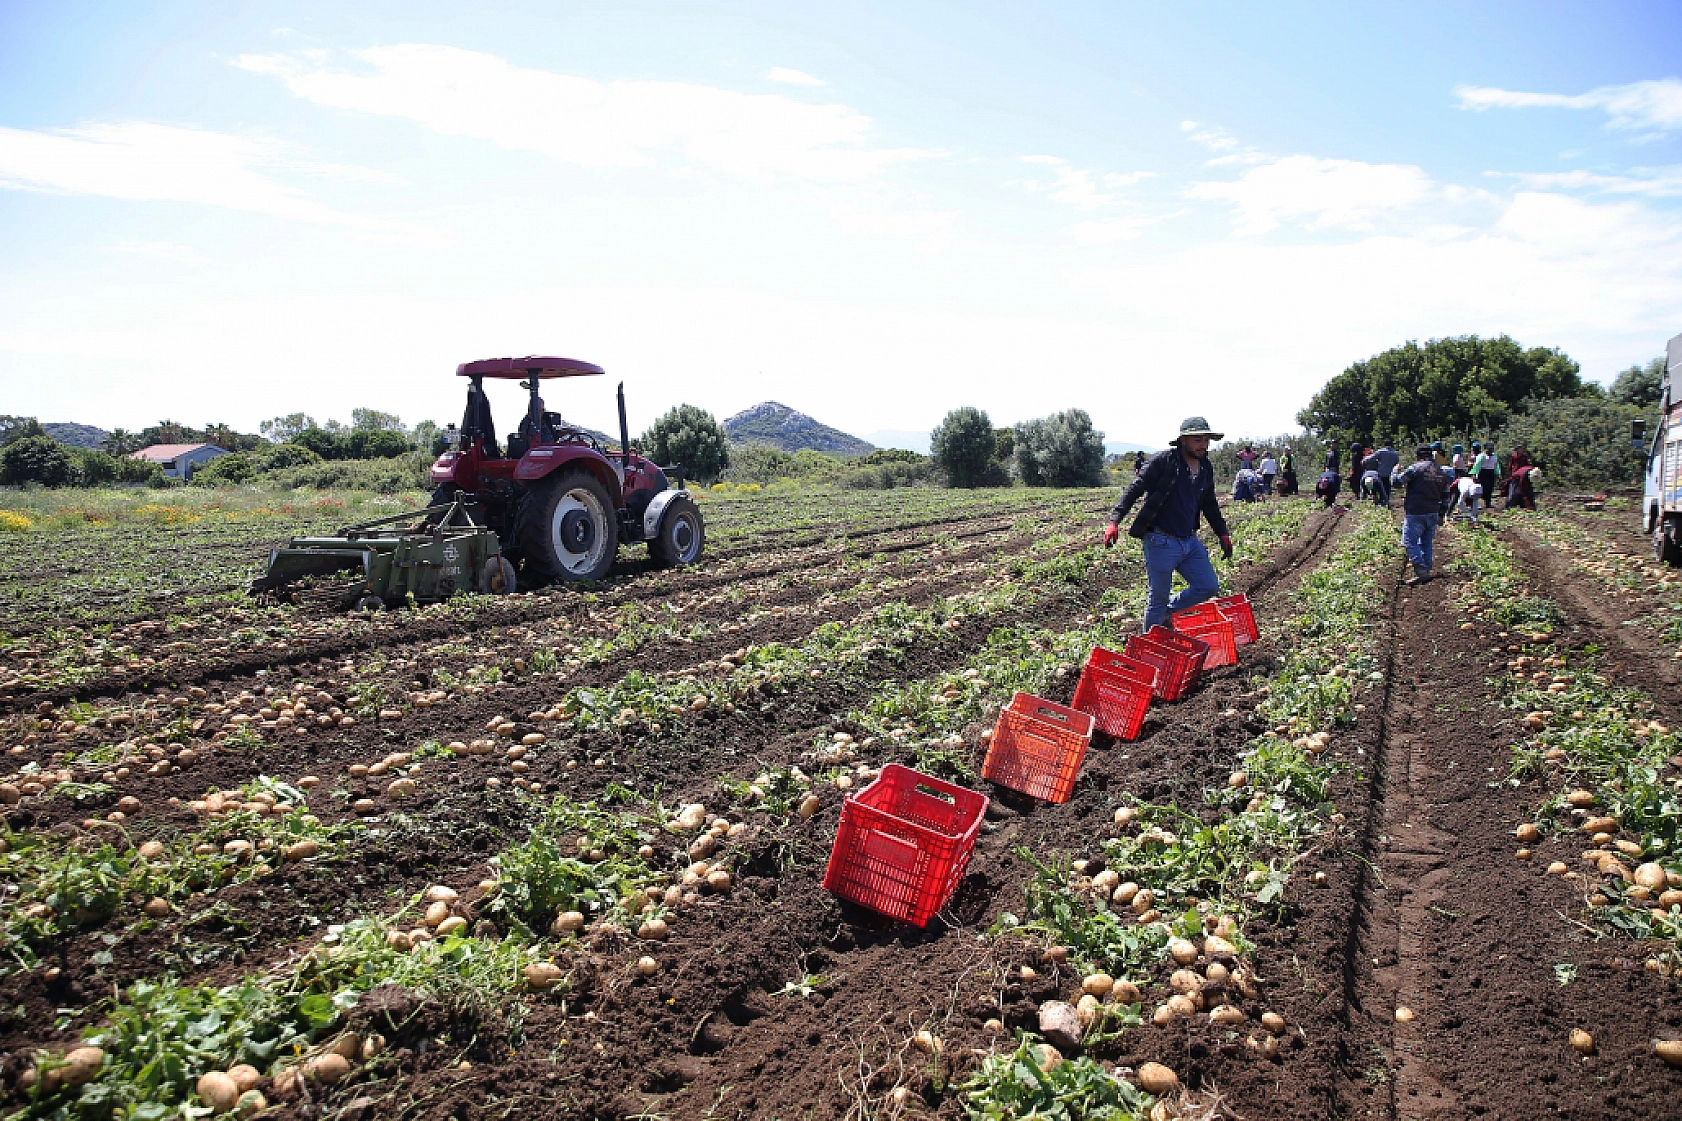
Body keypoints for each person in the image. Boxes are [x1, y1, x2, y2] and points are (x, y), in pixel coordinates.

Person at [1104, 417, 1233, 631]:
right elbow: (1134, 489)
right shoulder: (1163, 461)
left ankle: (1167, 612)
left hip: (1189, 540)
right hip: (1160, 540)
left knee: (1208, 586)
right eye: (1198, 440)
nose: (1203, 445)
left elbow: (1209, 503)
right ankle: (1150, 645)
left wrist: (1223, 533)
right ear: (1183, 440)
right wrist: (1114, 521)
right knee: (1158, 597)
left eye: (1206, 440)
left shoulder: (1205, 466)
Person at [1392, 445, 1449, 584]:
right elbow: (1446, 496)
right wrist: (1442, 515)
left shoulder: (1415, 468)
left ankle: (1421, 570)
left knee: (1409, 541)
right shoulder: (1442, 472)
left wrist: (1394, 471)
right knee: (1426, 542)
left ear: (1417, 456)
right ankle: (1426, 570)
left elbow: (1397, 483)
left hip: (1416, 511)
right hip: (1433, 512)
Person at [1373, 440, 1401, 506]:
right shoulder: (1395, 453)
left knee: (1379, 488)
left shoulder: (1380, 451)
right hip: (1390, 474)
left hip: (1381, 473)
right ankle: (1386, 501)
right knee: (1387, 488)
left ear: (1384, 445)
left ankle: (1380, 501)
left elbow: (1372, 458)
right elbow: (1397, 464)